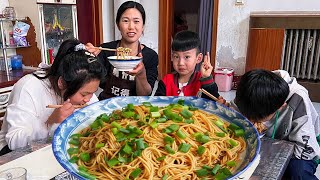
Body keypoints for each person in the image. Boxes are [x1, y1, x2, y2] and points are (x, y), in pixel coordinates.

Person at [0, 39, 106, 155]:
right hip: (14, 156)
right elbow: (14, 141)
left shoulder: (85, 89)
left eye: (93, 92)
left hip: (54, 148)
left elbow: (96, 116)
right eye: (84, 94)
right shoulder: (28, 87)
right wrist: (50, 122)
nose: (88, 99)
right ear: (62, 83)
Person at [232, 69, 320, 179]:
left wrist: (271, 162)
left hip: (301, 147)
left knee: (298, 173)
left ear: (281, 106)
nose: (252, 121)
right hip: (268, 141)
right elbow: (233, 112)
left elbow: (304, 147)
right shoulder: (248, 91)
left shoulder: (298, 98)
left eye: (257, 119)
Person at [86, 1, 158, 99]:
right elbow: (89, 81)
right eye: (125, 21)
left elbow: (145, 95)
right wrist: (87, 58)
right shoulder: (104, 50)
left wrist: (141, 74)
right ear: (118, 24)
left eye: (136, 21)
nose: (131, 27)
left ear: (143, 26)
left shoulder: (150, 55)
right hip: (107, 103)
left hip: (134, 107)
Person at [155, 30, 222, 101]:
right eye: (176, 57)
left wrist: (206, 78)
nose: (181, 63)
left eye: (186, 57)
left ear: (198, 58)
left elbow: (213, 102)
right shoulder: (166, 81)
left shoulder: (203, 81)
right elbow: (156, 103)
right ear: (172, 57)